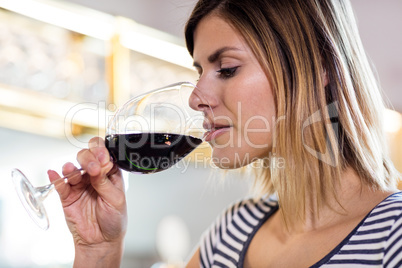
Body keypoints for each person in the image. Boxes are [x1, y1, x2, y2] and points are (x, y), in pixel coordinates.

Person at [48, 0, 402, 267]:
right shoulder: (230, 234)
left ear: (318, 67)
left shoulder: (393, 236)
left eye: (228, 69)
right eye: (200, 70)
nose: (194, 97)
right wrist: (99, 251)